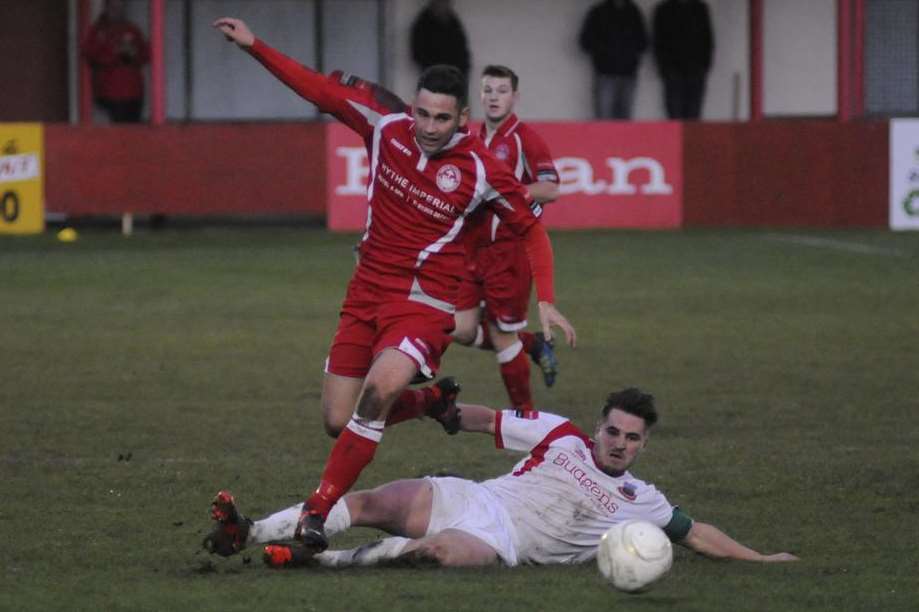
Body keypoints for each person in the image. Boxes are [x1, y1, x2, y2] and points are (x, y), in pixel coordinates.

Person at [212, 17, 576, 556]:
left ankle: (317, 511)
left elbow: (531, 228)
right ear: (414, 105)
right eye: (423, 113)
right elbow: (317, 88)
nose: (430, 127)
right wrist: (253, 46)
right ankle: (431, 402)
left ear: (462, 118)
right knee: (340, 420)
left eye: (443, 119)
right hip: (365, 294)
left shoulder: (479, 170)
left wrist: (545, 298)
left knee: (379, 393)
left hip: (423, 305)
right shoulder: (385, 129)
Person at [203, 387, 799, 568]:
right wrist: (439, 406)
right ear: (598, 427)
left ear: (645, 444)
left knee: (432, 555)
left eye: (631, 438)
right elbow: (482, 420)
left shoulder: (642, 501)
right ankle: (250, 531)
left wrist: (760, 559)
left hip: (501, 542)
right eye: (613, 432)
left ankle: (315, 560)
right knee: (371, 500)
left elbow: (695, 533)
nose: (619, 444)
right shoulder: (560, 434)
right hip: (476, 495)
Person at [453, 65, 562, 411]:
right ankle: (533, 345)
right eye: (487, 90)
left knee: (502, 335)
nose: (493, 97)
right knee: (460, 329)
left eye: (501, 90)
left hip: (509, 253)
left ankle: (526, 418)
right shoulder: (469, 137)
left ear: (515, 96)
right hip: (471, 250)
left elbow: (550, 188)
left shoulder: (525, 139)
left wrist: (510, 193)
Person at [578, 0, 649, 120]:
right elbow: (585, 42)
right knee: (604, 119)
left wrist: (631, 54)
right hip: (605, 73)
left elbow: (643, 41)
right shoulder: (598, 12)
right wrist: (604, 52)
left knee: (625, 120)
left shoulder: (633, 12)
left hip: (628, 73)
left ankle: (624, 140)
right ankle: (604, 139)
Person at [81, 0, 149, 123]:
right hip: (111, 92)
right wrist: (113, 53)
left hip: (134, 92)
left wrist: (133, 53)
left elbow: (145, 55)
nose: (118, 9)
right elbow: (88, 54)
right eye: (114, 6)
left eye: (121, 5)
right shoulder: (98, 30)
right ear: (106, 7)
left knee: (135, 132)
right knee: (117, 133)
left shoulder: (132, 30)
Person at [652, 0, 714, 120]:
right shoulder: (664, 10)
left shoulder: (700, 9)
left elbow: (707, 38)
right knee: (674, 116)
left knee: (694, 116)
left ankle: (693, 139)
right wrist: (664, 68)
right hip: (673, 72)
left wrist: (705, 65)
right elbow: (658, 41)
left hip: (696, 70)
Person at [410, 0, 471, 77]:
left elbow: (462, 51)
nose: (443, 6)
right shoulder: (423, 24)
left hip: (454, 78)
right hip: (433, 77)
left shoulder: (454, 23)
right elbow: (418, 53)